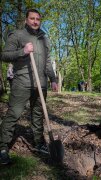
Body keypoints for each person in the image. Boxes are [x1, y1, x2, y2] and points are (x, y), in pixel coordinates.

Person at [0, 9, 58, 165]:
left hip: (41, 83)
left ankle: (38, 142)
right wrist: (23, 51)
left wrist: (53, 78)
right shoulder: (17, 35)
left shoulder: (44, 39)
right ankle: (2, 147)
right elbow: (4, 55)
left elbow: (47, 62)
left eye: (38, 19)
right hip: (22, 82)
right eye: (32, 18)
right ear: (26, 20)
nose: (35, 21)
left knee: (38, 114)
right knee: (14, 114)